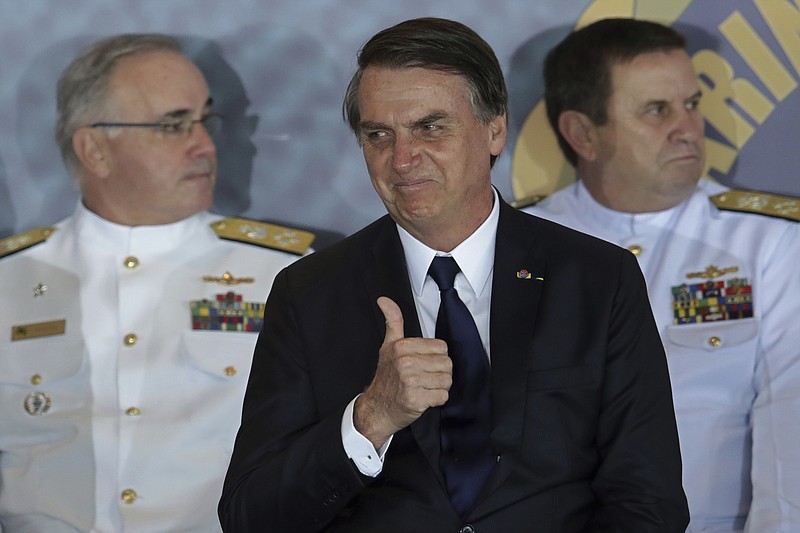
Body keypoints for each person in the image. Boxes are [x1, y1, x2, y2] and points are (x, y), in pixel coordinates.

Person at [219, 17, 689, 532]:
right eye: (379, 134)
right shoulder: (310, 293)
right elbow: (251, 516)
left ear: (494, 129)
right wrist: (371, 416)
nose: (402, 159)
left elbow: (648, 500)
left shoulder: (598, 278)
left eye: (430, 127)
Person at [0, 33, 312, 532]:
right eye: (174, 125)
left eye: (206, 120)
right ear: (95, 151)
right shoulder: (9, 282)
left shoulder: (288, 274)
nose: (206, 145)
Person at [520, 17, 800, 532]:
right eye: (657, 110)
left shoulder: (770, 241)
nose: (689, 128)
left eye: (691, 104)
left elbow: (792, 427)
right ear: (583, 133)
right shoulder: (516, 245)